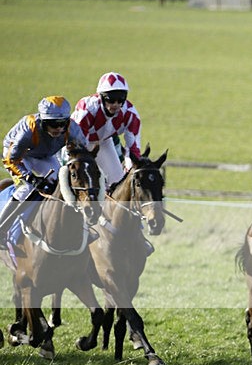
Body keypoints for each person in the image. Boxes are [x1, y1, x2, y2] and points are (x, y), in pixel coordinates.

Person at [0, 96, 88, 247]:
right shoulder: (28, 129)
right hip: (20, 155)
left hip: (44, 154)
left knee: (62, 184)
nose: (59, 129)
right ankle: (3, 227)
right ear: (43, 121)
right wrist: (31, 178)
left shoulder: (72, 129)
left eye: (62, 124)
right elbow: (11, 160)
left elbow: (83, 155)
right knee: (27, 188)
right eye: (53, 124)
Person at [70, 72, 144, 186]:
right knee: (82, 179)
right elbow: (77, 145)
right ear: (101, 97)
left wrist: (130, 171)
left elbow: (133, 149)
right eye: (111, 99)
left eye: (121, 99)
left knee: (118, 182)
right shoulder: (87, 109)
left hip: (103, 142)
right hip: (76, 145)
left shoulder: (131, 114)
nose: (116, 104)